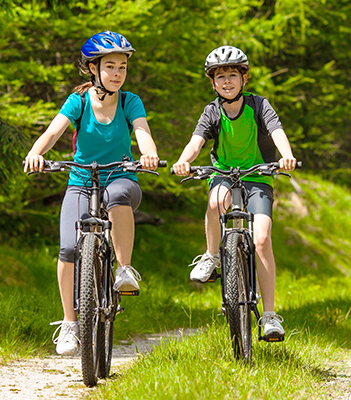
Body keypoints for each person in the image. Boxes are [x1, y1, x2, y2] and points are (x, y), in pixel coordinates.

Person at [23, 31, 160, 355]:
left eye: (122, 67)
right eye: (110, 66)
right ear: (92, 69)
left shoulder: (130, 101)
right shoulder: (78, 101)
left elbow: (142, 132)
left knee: (117, 197)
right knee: (69, 247)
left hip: (120, 178)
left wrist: (148, 154)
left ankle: (124, 270)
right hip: (82, 180)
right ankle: (70, 323)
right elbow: (53, 131)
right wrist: (35, 153)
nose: (117, 73)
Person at [172, 45, 298, 341]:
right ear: (212, 83)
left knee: (263, 237)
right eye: (220, 77)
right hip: (223, 174)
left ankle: (269, 315)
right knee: (216, 201)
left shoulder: (259, 105)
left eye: (232, 75)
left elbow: (277, 131)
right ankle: (212, 256)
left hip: (258, 175)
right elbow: (196, 142)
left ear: (244, 78)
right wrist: (184, 161)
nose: (227, 81)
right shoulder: (211, 112)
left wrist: (287, 155)